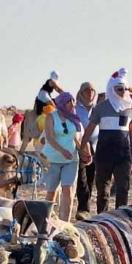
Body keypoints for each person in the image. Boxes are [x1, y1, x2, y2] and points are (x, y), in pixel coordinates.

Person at [81, 72, 132, 212]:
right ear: (112, 89)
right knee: (103, 191)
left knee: (123, 189)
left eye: (125, 88)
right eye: (120, 88)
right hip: (104, 154)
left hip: (123, 155)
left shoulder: (130, 108)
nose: (123, 91)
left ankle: (121, 219)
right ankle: (102, 218)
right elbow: (89, 129)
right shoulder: (100, 108)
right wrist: (81, 148)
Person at [41, 92, 83, 221]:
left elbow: (76, 138)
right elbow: (49, 138)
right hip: (52, 159)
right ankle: (46, 220)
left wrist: (83, 152)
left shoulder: (74, 118)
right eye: (68, 102)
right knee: (52, 192)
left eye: (72, 102)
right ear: (61, 103)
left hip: (71, 159)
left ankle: (65, 223)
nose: (71, 105)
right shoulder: (51, 117)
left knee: (68, 190)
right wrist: (62, 150)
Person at [75, 82, 98, 213]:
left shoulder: (98, 108)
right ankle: (83, 208)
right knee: (81, 177)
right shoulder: (75, 108)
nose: (90, 93)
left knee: (90, 177)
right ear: (81, 93)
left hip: (96, 146)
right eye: (87, 91)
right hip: (80, 145)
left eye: (92, 91)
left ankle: (85, 206)